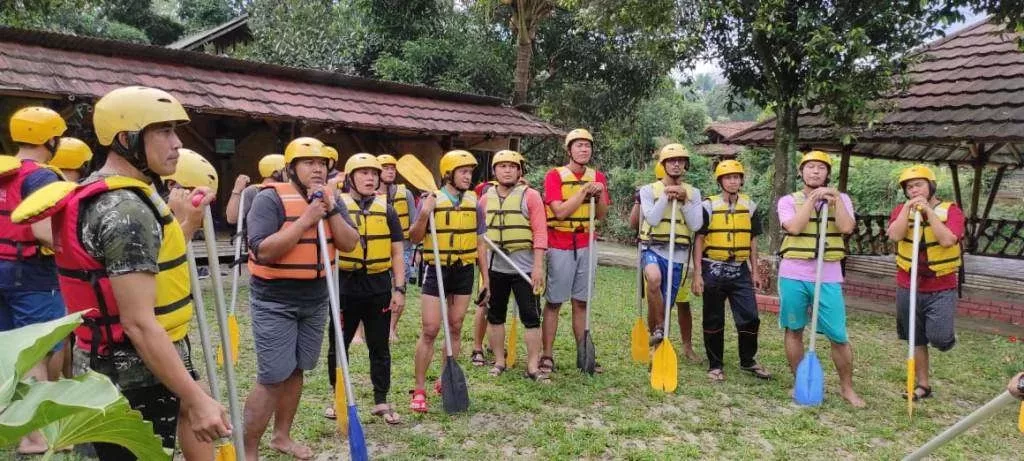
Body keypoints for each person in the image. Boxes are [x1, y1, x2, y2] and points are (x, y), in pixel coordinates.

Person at [13, 87, 231, 459]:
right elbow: (139, 324)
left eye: (175, 131)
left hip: (110, 364)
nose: (177, 143)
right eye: (163, 131)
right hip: (132, 374)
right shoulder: (127, 210)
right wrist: (197, 399)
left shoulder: (93, 190)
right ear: (127, 139)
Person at [242, 137, 358, 460]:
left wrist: (330, 209)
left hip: (316, 299)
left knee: (296, 370)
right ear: (291, 168)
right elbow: (263, 251)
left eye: (322, 163)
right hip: (274, 300)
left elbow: (350, 243)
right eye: (309, 163)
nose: (318, 168)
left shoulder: (333, 200)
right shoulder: (269, 199)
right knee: (272, 377)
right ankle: (248, 449)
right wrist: (307, 218)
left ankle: (282, 436)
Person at [1, 106, 68, 455]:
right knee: (40, 352)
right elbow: (43, 231)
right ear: (51, 139)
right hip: (33, 276)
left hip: (1, 269)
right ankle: (35, 437)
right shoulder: (41, 177)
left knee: (9, 349)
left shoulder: (3, 171)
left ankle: (16, 422)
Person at [778, 151, 864, 407]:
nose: (815, 172)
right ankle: (799, 382)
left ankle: (846, 388)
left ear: (828, 173)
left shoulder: (842, 199)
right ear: (801, 172)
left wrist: (835, 200)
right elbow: (794, 227)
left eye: (821, 168)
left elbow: (847, 228)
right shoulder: (787, 200)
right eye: (810, 167)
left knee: (838, 334)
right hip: (794, 274)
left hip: (828, 276)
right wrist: (812, 200)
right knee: (794, 329)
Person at [324, 153, 404, 424]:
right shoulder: (335, 207)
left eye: (374, 173)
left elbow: (396, 252)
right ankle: (338, 397)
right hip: (344, 284)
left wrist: (400, 288)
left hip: (378, 285)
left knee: (380, 346)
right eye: (364, 173)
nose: (370, 178)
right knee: (339, 344)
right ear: (350, 179)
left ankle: (381, 399)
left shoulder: (388, 210)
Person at [408, 150, 488, 413]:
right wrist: (423, 214)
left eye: (470, 172)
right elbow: (414, 238)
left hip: (464, 270)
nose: (468, 176)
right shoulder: (430, 200)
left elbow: (479, 243)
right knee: (430, 329)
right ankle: (419, 389)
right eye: (463, 171)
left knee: (455, 327)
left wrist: (485, 280)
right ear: (449, 174)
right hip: (436, 270)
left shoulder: (474, 202)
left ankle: (445, 378)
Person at [886, 164, 965, 402]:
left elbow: (948, 240)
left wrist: (929, 213)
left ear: (931, 186)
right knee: (915, 337)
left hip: (940, 285)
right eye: (909, 187)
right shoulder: (901, 210)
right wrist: (907, 212)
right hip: (907, 283)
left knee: (939, 338)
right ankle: (922, 385)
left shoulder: (951, 211)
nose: (914, 191)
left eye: (918, 185)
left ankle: (947, 337)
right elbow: (895, 235)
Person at [691, 159, 771, 382]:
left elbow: (753, 241)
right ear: (720, 181)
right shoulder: (708, 206)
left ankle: (748, 360)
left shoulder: (750, 206)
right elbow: (698, 240)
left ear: (742, 180)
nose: (733, 181)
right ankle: (715, 365)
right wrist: (697, 274)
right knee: (713, 318)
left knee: (750, 317)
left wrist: (755, 271)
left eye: (736, 177)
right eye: (728, 177)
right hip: (712, 268)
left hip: (740, 270)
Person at [541, 129, 610, 374]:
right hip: (560, 242)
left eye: (587, 146)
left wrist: (599, 194)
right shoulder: (554, 175)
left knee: (582, 302)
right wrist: (582, 192)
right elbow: (559, 212)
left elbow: (601, 215)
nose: (584, 150)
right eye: (579, 145)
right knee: (555, 302)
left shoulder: (597, 177)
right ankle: (547, 355)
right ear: (569, 150)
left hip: (586, 243)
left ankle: (584, 355)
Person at [479, 150, 549, 381]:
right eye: (502, 166)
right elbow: (480, 239)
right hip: (495, 266)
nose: (507, 170)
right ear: (494, 171)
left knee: (531, 317)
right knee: (495, 316)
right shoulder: (484, 199)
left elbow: (540, 232)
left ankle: (532, 366)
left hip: (525, 267)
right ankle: (499, 361)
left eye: (512, 166)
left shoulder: (531, 196)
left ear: (520, 171)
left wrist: (538, 267)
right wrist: (484, 278)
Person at [630, 159, 702, 362]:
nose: (676, 165)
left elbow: (696, 225)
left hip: (678, 252)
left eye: (680, 162)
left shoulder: (693, 193)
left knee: (668, 305)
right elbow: (647, 220)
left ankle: (661, 337)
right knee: (653, 280)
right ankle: (659, 329)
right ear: (663, 166)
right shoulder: (648, 190)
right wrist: (665, 196)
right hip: (652, 247)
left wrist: (685, 200)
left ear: (686, 166)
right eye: (671, 162)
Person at [376, 153, 418, 341]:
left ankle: (391, 328)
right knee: (372, 291)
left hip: (403, 247)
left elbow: (414, 221)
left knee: (399, 288)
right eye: (386, 168)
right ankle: (362, 331)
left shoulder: (406, 193)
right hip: (377, 247)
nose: (390, 171)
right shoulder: (369, 193)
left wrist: (418, 250)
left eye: (393, 168)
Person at [225, 153, 286, 228]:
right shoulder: (254, 191)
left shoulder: (290, 190)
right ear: (275, 173)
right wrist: (237, 190)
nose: (290, 173)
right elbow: (231, 219)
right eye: (286, 170)